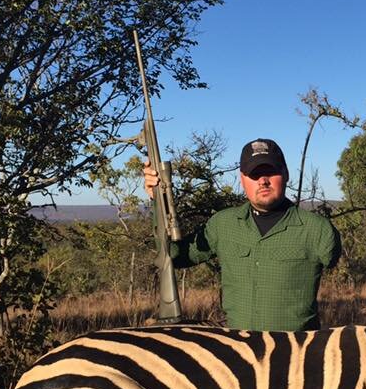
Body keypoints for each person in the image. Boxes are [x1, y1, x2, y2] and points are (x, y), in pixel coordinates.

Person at [143, 138, 341, 331]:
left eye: (270, 172)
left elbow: (332, 259)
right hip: (237, 356)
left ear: (286, 174)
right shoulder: (222, 224)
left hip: (293, 358)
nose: (263, 181)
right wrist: (159, 202)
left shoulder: (317, 229)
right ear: (242, 179)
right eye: (254, 174)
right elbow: (174, 256)